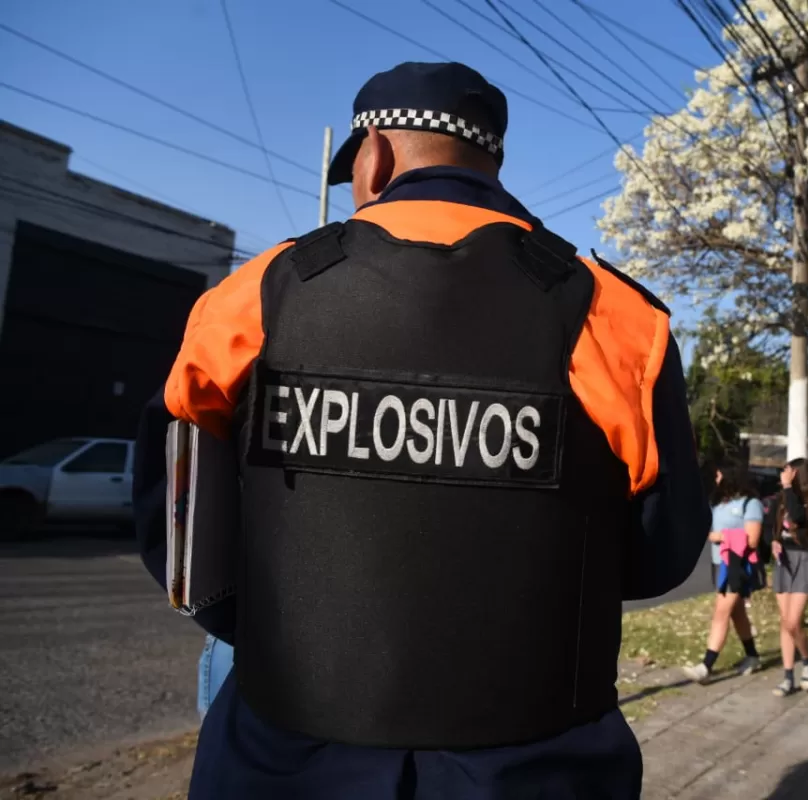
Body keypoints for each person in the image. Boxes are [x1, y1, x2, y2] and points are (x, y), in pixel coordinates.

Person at [131, 61, 710, 799]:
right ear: (492, 161)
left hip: (286, 757)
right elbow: (660, 556)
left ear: (371, 156)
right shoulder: (618, 317)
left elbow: (177, 531)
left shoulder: (255, 295)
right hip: (539, 768)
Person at [682, 462, 763, 683]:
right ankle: (753, 656)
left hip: (736, 565)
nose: (716, 477)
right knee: (736, 612)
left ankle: (706, 666)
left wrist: (722, 536)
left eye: (719, 473)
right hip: (719, 564)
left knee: (721, 612)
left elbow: (753, 539)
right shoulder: (718, 503)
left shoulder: (751, 504)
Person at [772, 457, 808, 697]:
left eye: (788, 472)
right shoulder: (783, 498)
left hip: (806, 559)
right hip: (784, 559)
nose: (783, 476)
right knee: (785, 622)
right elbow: (774, 527)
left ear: (797, 475)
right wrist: (774, 541)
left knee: (794, 622)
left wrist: (787, 488)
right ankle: (788, 676)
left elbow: (797, 517)